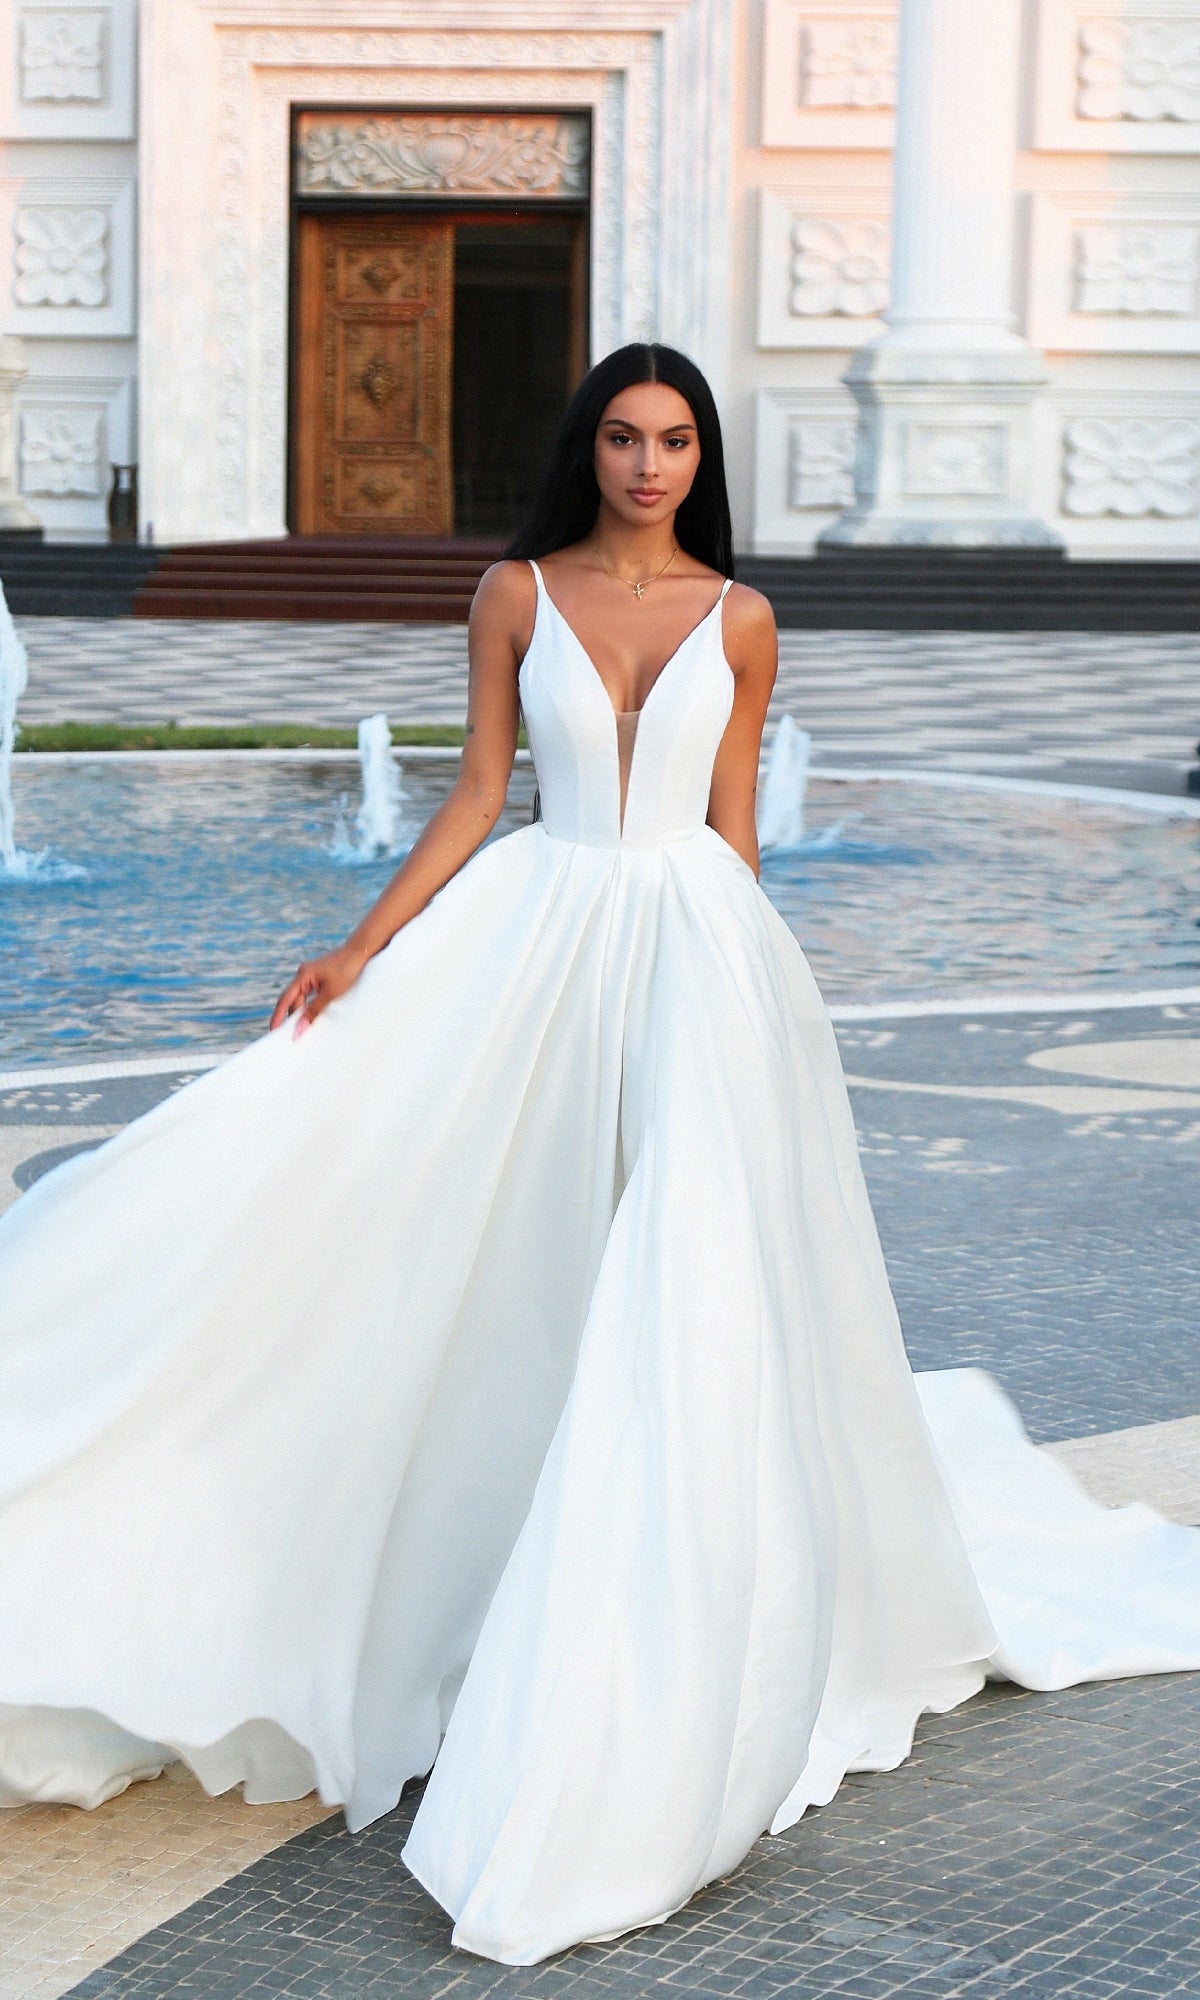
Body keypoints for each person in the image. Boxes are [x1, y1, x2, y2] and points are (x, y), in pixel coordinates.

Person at [1, 343, 1198, 1968]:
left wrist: (765, 995)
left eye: (677, 441)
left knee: (690, 1260)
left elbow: (732, 831)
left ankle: (668, 1592)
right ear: (592, 449)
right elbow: (479, 791)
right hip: (544, 931)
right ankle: (508, 1537)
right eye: (626, 439)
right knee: (515, 1233)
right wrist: (361, 949)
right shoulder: (513, 592)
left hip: (703, 955)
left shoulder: (746, 617)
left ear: (705, 459)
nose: (649, 465)